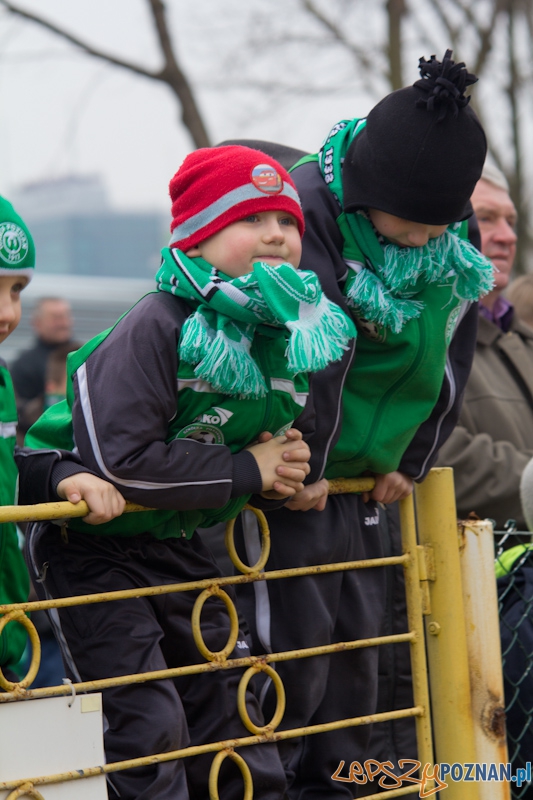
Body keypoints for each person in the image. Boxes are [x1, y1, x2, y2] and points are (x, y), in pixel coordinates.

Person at [21, 146, 356, 800]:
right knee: (148, 722)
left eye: (286, 222)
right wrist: (247, 470)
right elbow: (122, 462)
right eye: (249, 219)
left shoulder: (287, 326)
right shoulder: (157, 321)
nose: (275, 236)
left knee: (224, 712)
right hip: (94, 547)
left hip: (183, 540)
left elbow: (297, 429)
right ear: (197, 237)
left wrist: (292, 462)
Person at [233, 50, 492, 799]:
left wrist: (412, 457)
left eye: (433, 228)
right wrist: (302, 465)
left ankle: (361, 788)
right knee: (292, 665)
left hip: (370, 481)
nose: (419, 242)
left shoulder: (445, 225)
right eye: (406, 227)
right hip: (295, 478)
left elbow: (448, 345)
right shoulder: (305, 208)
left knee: (370, 665)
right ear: (361, 197)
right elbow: (310, 353)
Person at [0, 195, 125, 684]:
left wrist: (58, 475)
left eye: (16, 289)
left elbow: (6, 472)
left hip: (11, 634)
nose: (6, 311)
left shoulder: (3, 379)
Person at [435, 162, 533, 528]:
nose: (507, 236)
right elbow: (431, 451)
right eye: (487, 218)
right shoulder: (418, 340)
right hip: (477, 576)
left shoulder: (521, 338)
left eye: (511, 220)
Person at [10, 295, 74, 438]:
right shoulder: (24, 364)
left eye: (65, 316)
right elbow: (16, 412)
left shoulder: (84, 354)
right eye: (55, 318)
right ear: (37, 323)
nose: (63, 323)